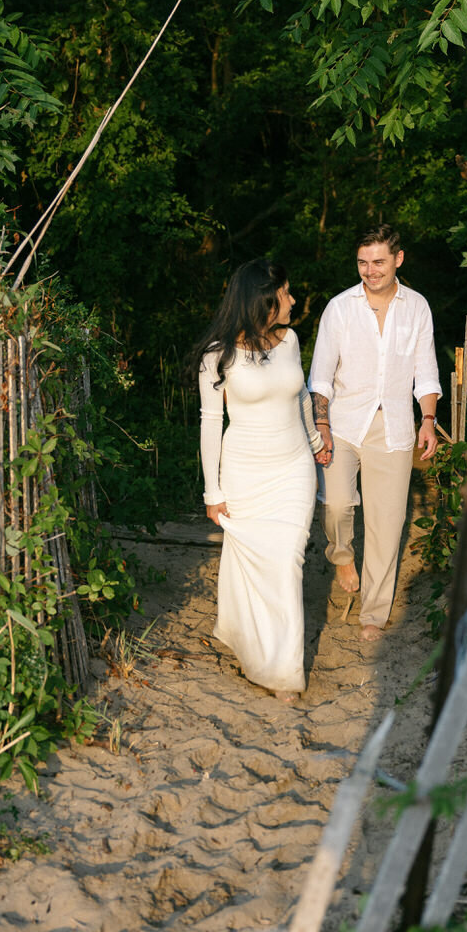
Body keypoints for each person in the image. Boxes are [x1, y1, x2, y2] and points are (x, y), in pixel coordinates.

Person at [193, 259, 331, 702]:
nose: (293, 301)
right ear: (264, 300)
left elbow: (303, 398)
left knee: (286, 563)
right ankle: (255, 649)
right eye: (287, 293)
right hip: (245, 473)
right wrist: (213, 492)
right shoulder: (217, 355)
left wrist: (315, 442)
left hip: (293, 468)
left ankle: (283, 674)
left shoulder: (290, 341)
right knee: (254, 564)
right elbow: (210, 423)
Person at [308, 224, 441, 642]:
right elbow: (321, 376)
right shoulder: (340, 308)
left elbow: (427, 371)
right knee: (337, 503)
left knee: (387, 523)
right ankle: (342, 555)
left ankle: (373, 612)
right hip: (343, 424)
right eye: (363, 263)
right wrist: (323, 425)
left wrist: (428, 421)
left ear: (398, 259)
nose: (370, 271)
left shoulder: (417, 307)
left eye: (379, 262)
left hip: (396, 426)